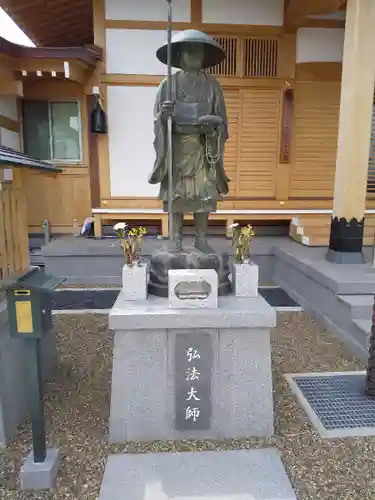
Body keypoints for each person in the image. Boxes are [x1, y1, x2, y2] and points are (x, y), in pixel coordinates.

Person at [149, 30, 229, 254]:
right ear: (180, 56)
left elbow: (223, 122)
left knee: (204, 193)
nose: (193, 56)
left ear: (204, 57)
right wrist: (164, 116)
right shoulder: (168, 84)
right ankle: (175, 239)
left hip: (203, 146)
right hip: (176, 147)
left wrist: (214, 125)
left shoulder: (213, 86)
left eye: (198, 52)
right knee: (177, 194)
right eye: (188, 52)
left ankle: (201, 238)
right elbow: (157, 120)